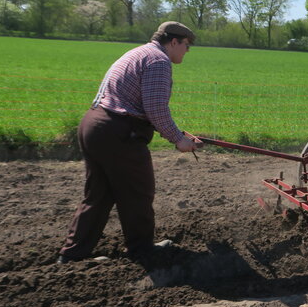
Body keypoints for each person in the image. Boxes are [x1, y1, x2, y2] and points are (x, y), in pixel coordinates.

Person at [57, 21, 203, 263]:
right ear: (174, 41)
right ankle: (142, 249)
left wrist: (180, 133)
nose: (187, 51)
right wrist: (177, 139)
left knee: (99, 195)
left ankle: (73, 255)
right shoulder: (159, 61)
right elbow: (155, 108)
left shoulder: (137, 53)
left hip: (95, 125)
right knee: (138, 192)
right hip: (119, 133)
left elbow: (138, 106)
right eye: (187, 45)